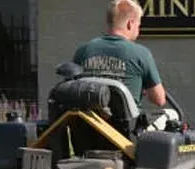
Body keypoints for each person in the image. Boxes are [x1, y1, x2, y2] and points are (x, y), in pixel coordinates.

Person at [71, 0, 177, 131]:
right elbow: (159, 99)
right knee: (173, 115)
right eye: (138, 25)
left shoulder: (83, 51)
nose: (138, 29)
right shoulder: (141, 54)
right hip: (126, 133)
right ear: (130, 24)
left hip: (88, 130)